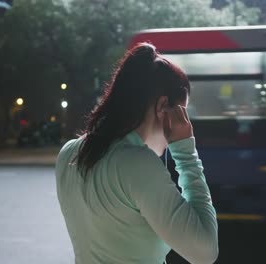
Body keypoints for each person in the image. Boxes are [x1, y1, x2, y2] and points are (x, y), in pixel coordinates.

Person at [55, 43, 218, 264]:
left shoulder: (68, 154)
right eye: (181, 113)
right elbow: (205, 252)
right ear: (162, 105)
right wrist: (186, 153)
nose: (184, 122)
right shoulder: (138, 164)